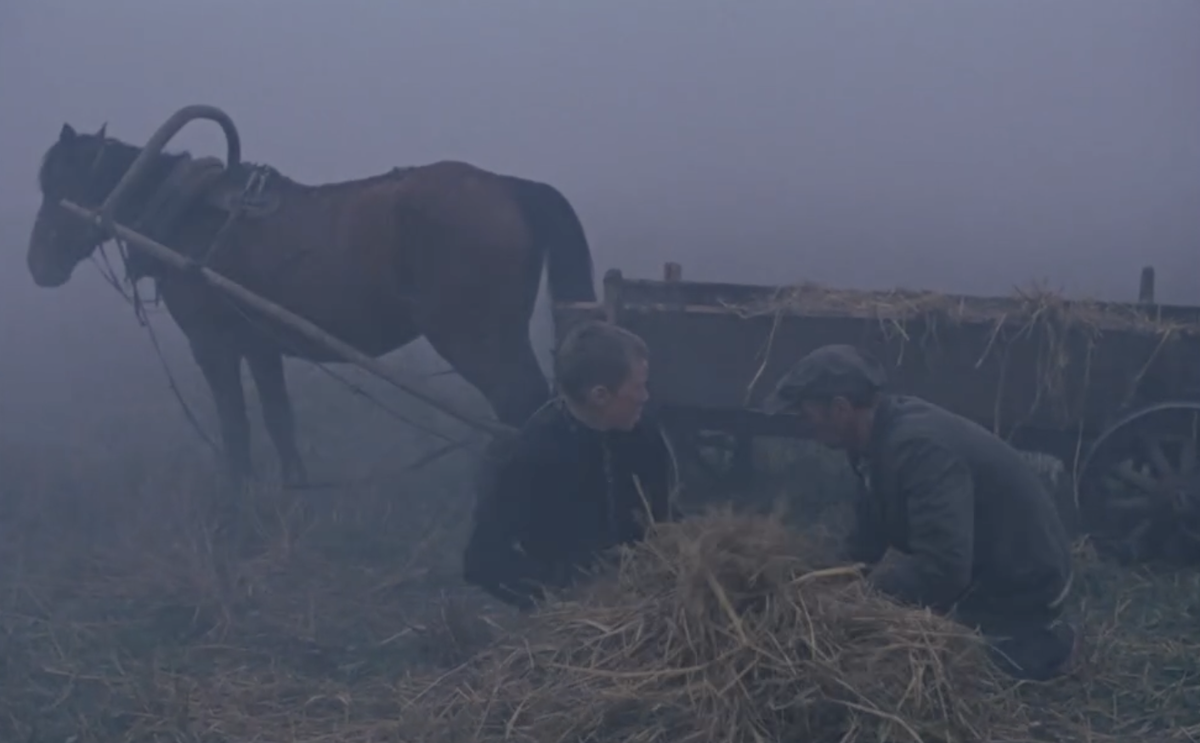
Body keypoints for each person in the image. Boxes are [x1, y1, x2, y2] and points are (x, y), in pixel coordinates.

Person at [761, 343, 1077, 681]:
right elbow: (866, 538)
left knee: (905, 671)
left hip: (1023, 588)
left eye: (804, 413)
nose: (802, 424)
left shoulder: (919, 449)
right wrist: (819, 583)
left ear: (840, 409)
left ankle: (1040, 643)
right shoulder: (871, 440)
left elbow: (943, 568)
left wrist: (862, 600)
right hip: (983, 572)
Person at [462, 320, 678, 611]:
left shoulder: (645, 436)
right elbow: (482, 561)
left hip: (647, 604)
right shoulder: (529, 457)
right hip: (575, 621)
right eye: (638, 387)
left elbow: (662, 517)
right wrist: (562, 599)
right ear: (599, 395)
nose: (645, 397)